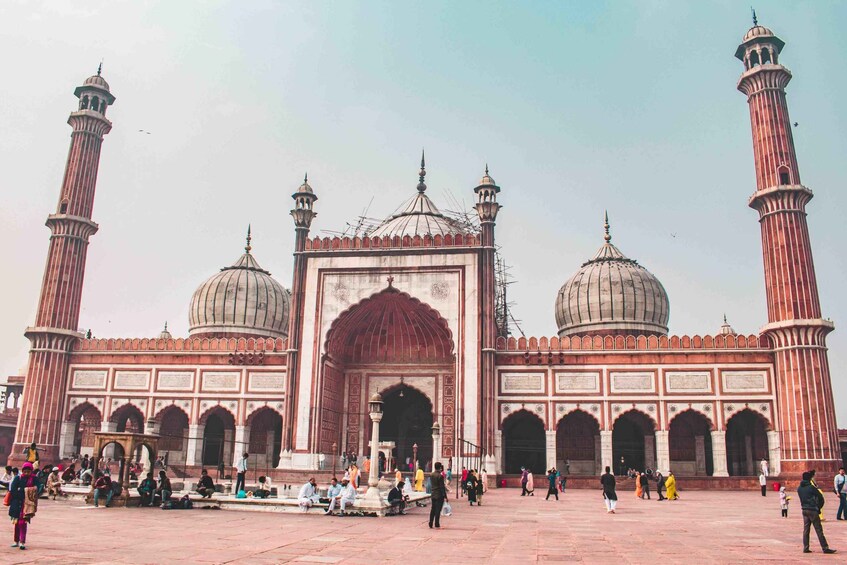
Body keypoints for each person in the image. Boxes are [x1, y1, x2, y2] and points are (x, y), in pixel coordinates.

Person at [798, 471, 837, 554]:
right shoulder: (811, 488)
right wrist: (818, 508)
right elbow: (821, 497)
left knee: (806, 530)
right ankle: (825, 547)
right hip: (812, 509)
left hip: (804, 509)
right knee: (818, 530)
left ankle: (806, 547)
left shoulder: (799, 488)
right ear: (809, 478)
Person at [9, 462, 40, 550]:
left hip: (27, 504)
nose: (26, 473)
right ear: (22, 471)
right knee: (17, 523)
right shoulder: (18, 478)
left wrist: (25, 491)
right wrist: (22, 493)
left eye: (28, 472)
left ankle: (22, 541)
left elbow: (38, 488)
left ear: (31, 471)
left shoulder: (34, 479)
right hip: (17, 504)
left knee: (23, 523)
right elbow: (13, 490)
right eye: (25, 471)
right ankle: (16, 541)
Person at [429, 462, 446, 529]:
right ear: (440, 468)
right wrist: (445, 496)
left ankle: (430, 522)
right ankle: (436, 523)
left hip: (433, 493)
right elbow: (442, 487)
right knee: (438, 509)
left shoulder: (431, 475)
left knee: (433, 508)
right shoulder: (440, 476)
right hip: (439, 494)